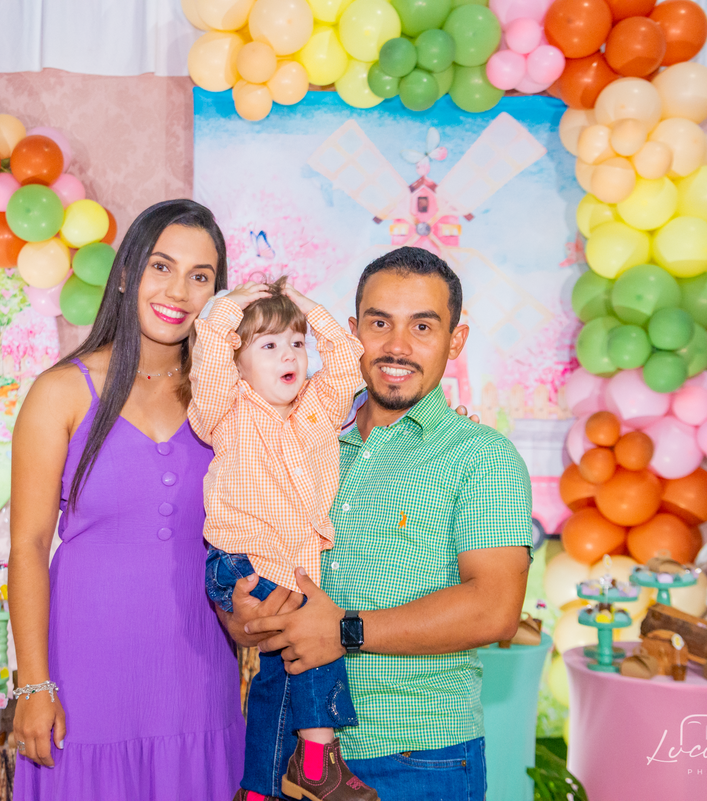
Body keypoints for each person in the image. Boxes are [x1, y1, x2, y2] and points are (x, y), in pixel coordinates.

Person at [226, 246, 534, 801]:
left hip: (418, 758)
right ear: (352, 334)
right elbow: (255, 571)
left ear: (456, 341)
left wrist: (343, 630)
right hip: (286, 756)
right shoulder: (301, 440)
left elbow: (495, 609)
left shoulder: (482, 457)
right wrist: (246, 617)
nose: (397, 346)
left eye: (423, 326)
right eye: (379, 323)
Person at [8, 200, 281, 800]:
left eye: (200, 276)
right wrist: (33, 683)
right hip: (85, 674)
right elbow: (27, 544)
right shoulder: (61, 391)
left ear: (217, 294)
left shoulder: (229, 397)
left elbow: (305, 443)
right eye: (162, 266)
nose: (178, 291)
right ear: (127, 272)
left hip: (197, 672)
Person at [190, 278, 376, 801]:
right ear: (238, 362)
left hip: (292, 568)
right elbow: (210, 357)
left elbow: (347, 357)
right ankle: (317, 762)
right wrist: (229, 309)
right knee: (318, 636)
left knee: (278, 680)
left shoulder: (319, 408)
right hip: (240, 562)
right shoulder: (226, 411)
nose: (288, 354)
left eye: (296, 343)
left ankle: (259, 789)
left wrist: (307, 309)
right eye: (268, 346)